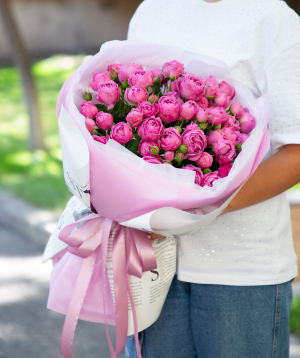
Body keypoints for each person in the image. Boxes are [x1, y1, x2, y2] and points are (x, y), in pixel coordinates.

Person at [125, 0, 300, 357]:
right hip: (152, 260)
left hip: (240, 270)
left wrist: (195, 210)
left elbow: (296, 151)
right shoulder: (151, 11)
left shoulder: (272, 18)